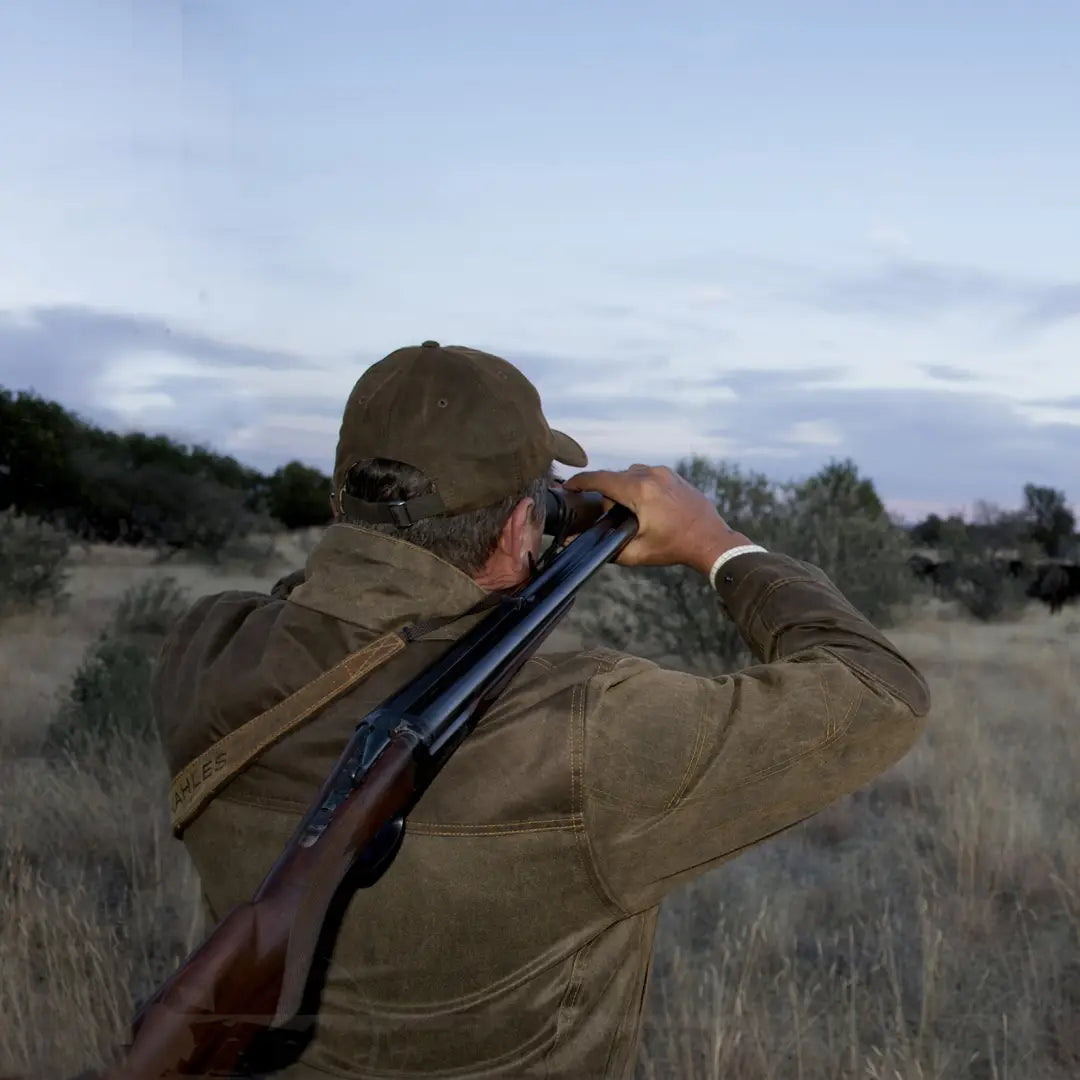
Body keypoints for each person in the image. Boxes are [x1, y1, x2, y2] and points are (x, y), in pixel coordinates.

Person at [152, 340, 931, 1079]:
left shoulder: (208, 650)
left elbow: (327, 607)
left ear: (340, 499)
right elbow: (880, 691)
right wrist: (718, 544)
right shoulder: (589, 734)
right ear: (526, 524)